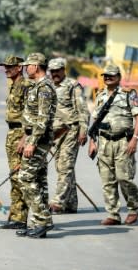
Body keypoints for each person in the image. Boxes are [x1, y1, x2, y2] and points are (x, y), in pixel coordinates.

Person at [88, 64, 138, 226]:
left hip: (122, 141)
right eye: (105, 75)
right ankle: (113, 214)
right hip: (104, 142)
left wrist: (135, 139)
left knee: (124, 178)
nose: (107, 78)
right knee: (107, 180)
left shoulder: (128, 94)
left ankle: (134, 208)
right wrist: (92, 141)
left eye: (111, 75)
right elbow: (96, 120)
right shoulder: (99, 94)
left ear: (119, 77)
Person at [16, 52, 57, 238]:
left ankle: (43, 219)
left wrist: (32, 142)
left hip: (40, 140)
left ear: (37, 66)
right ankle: (37, 224)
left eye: (28, 65)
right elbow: (32, 118)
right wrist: (25, 138)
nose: (26, 68)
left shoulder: (45, 87)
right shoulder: (38, 86)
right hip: (34, 138)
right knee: (38, 180)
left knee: (25, 177)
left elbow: (43, 118)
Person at [47, 58, 90, 214]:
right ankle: (71, 203)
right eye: (52, 71)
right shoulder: (49, 86)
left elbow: (83, 109)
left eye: (57, 70)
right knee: (61, 167)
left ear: (63, 70)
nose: (55, 74)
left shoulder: (73, 85)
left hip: (71, 130)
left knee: (65, 166)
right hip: (55, 133)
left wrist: (83, 131)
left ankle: (58, 202)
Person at [0, 55, 34, 230]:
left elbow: (31, 114)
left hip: (21, 133)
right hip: (12, 132)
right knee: (14, 175)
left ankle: (22, 217)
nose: (7, 69)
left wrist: (25, 138)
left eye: (10, 66)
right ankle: (16, 215)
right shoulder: (13, 85)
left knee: (19, 176)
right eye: (5, 66)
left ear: (20, 67)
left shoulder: (26, 86)